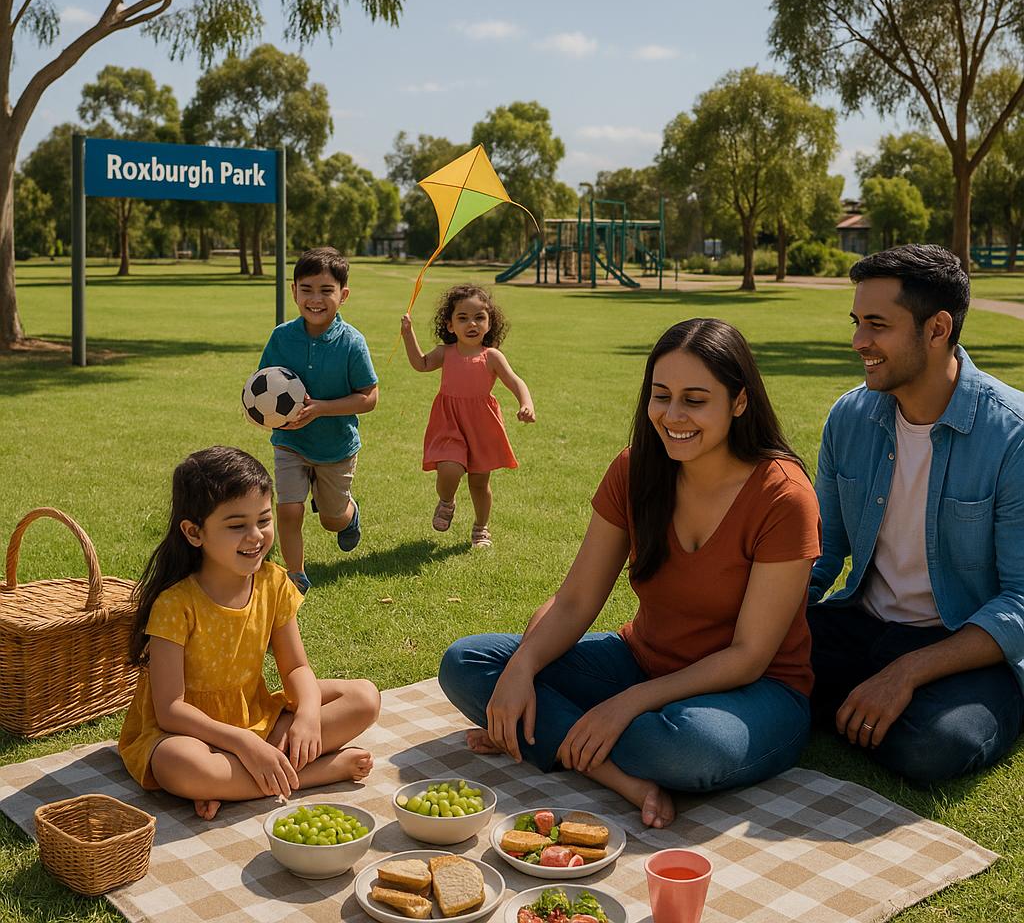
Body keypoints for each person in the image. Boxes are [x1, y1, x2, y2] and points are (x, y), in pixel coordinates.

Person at [439, 319, 820, 827]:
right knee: (469, 664)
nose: (673, 415)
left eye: (695, 399)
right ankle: (617, 776)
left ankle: (552, 734)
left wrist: (624, 706)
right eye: (661, 396)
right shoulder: (634, 468)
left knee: (689, 750)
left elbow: (749, 656)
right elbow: (575, 600)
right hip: (642, 662)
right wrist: (522, 668)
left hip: (754, 691)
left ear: (740, 401)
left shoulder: (783, 497)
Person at [809, 244, 1024, 784]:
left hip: (962, 646)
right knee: (749, 664)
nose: (859, 341)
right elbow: (821, 552)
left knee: (936, 745)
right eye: (857, 322)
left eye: (877, 325)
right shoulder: (848, 417)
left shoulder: (1013, 437)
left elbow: (1021, 600)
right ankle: (858, 704)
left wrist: (908, 672)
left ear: (937, 328)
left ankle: (860, 704)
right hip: (861, 623)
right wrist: (763, 632)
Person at [118, 446, 380, 820]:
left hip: (254, 718)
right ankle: (314, 773)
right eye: (237, 525)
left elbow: (295, 670)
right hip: (190, 735)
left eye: (264, 519)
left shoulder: (273, 582)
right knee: (181, 765)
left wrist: (306, 715)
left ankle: (236, 782)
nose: (256, 536)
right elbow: (171, 710)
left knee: (364, 697)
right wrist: (241, 742)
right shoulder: (175, 605)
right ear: (194, 532)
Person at [258, 247, 378, 593]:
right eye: (307, 289)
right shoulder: (281, 337)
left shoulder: (352, 342)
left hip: (335, 446)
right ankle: (294, 576)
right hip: (290, 442)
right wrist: (265, 414)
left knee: (331, 519)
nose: (315, 299)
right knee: (289, 510)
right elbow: (262, 384)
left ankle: (349, 515)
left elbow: (369, 397)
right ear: (293, 290)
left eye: (326, 291)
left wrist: (322, 408)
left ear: (343, 295)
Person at [400, 284, 535, 549]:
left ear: (489, 322)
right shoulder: (445, 353)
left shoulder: (492, 356)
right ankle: (447, 501)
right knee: (449, 468)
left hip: (482, 425)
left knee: (479, 482)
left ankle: (481, 527)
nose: (471, 324)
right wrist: (408, 334)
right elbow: (421, 364)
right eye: (463, 318)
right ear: (450, 325)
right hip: (449, 422)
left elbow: (516, 382)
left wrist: (526, 403)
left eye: (479, 317)